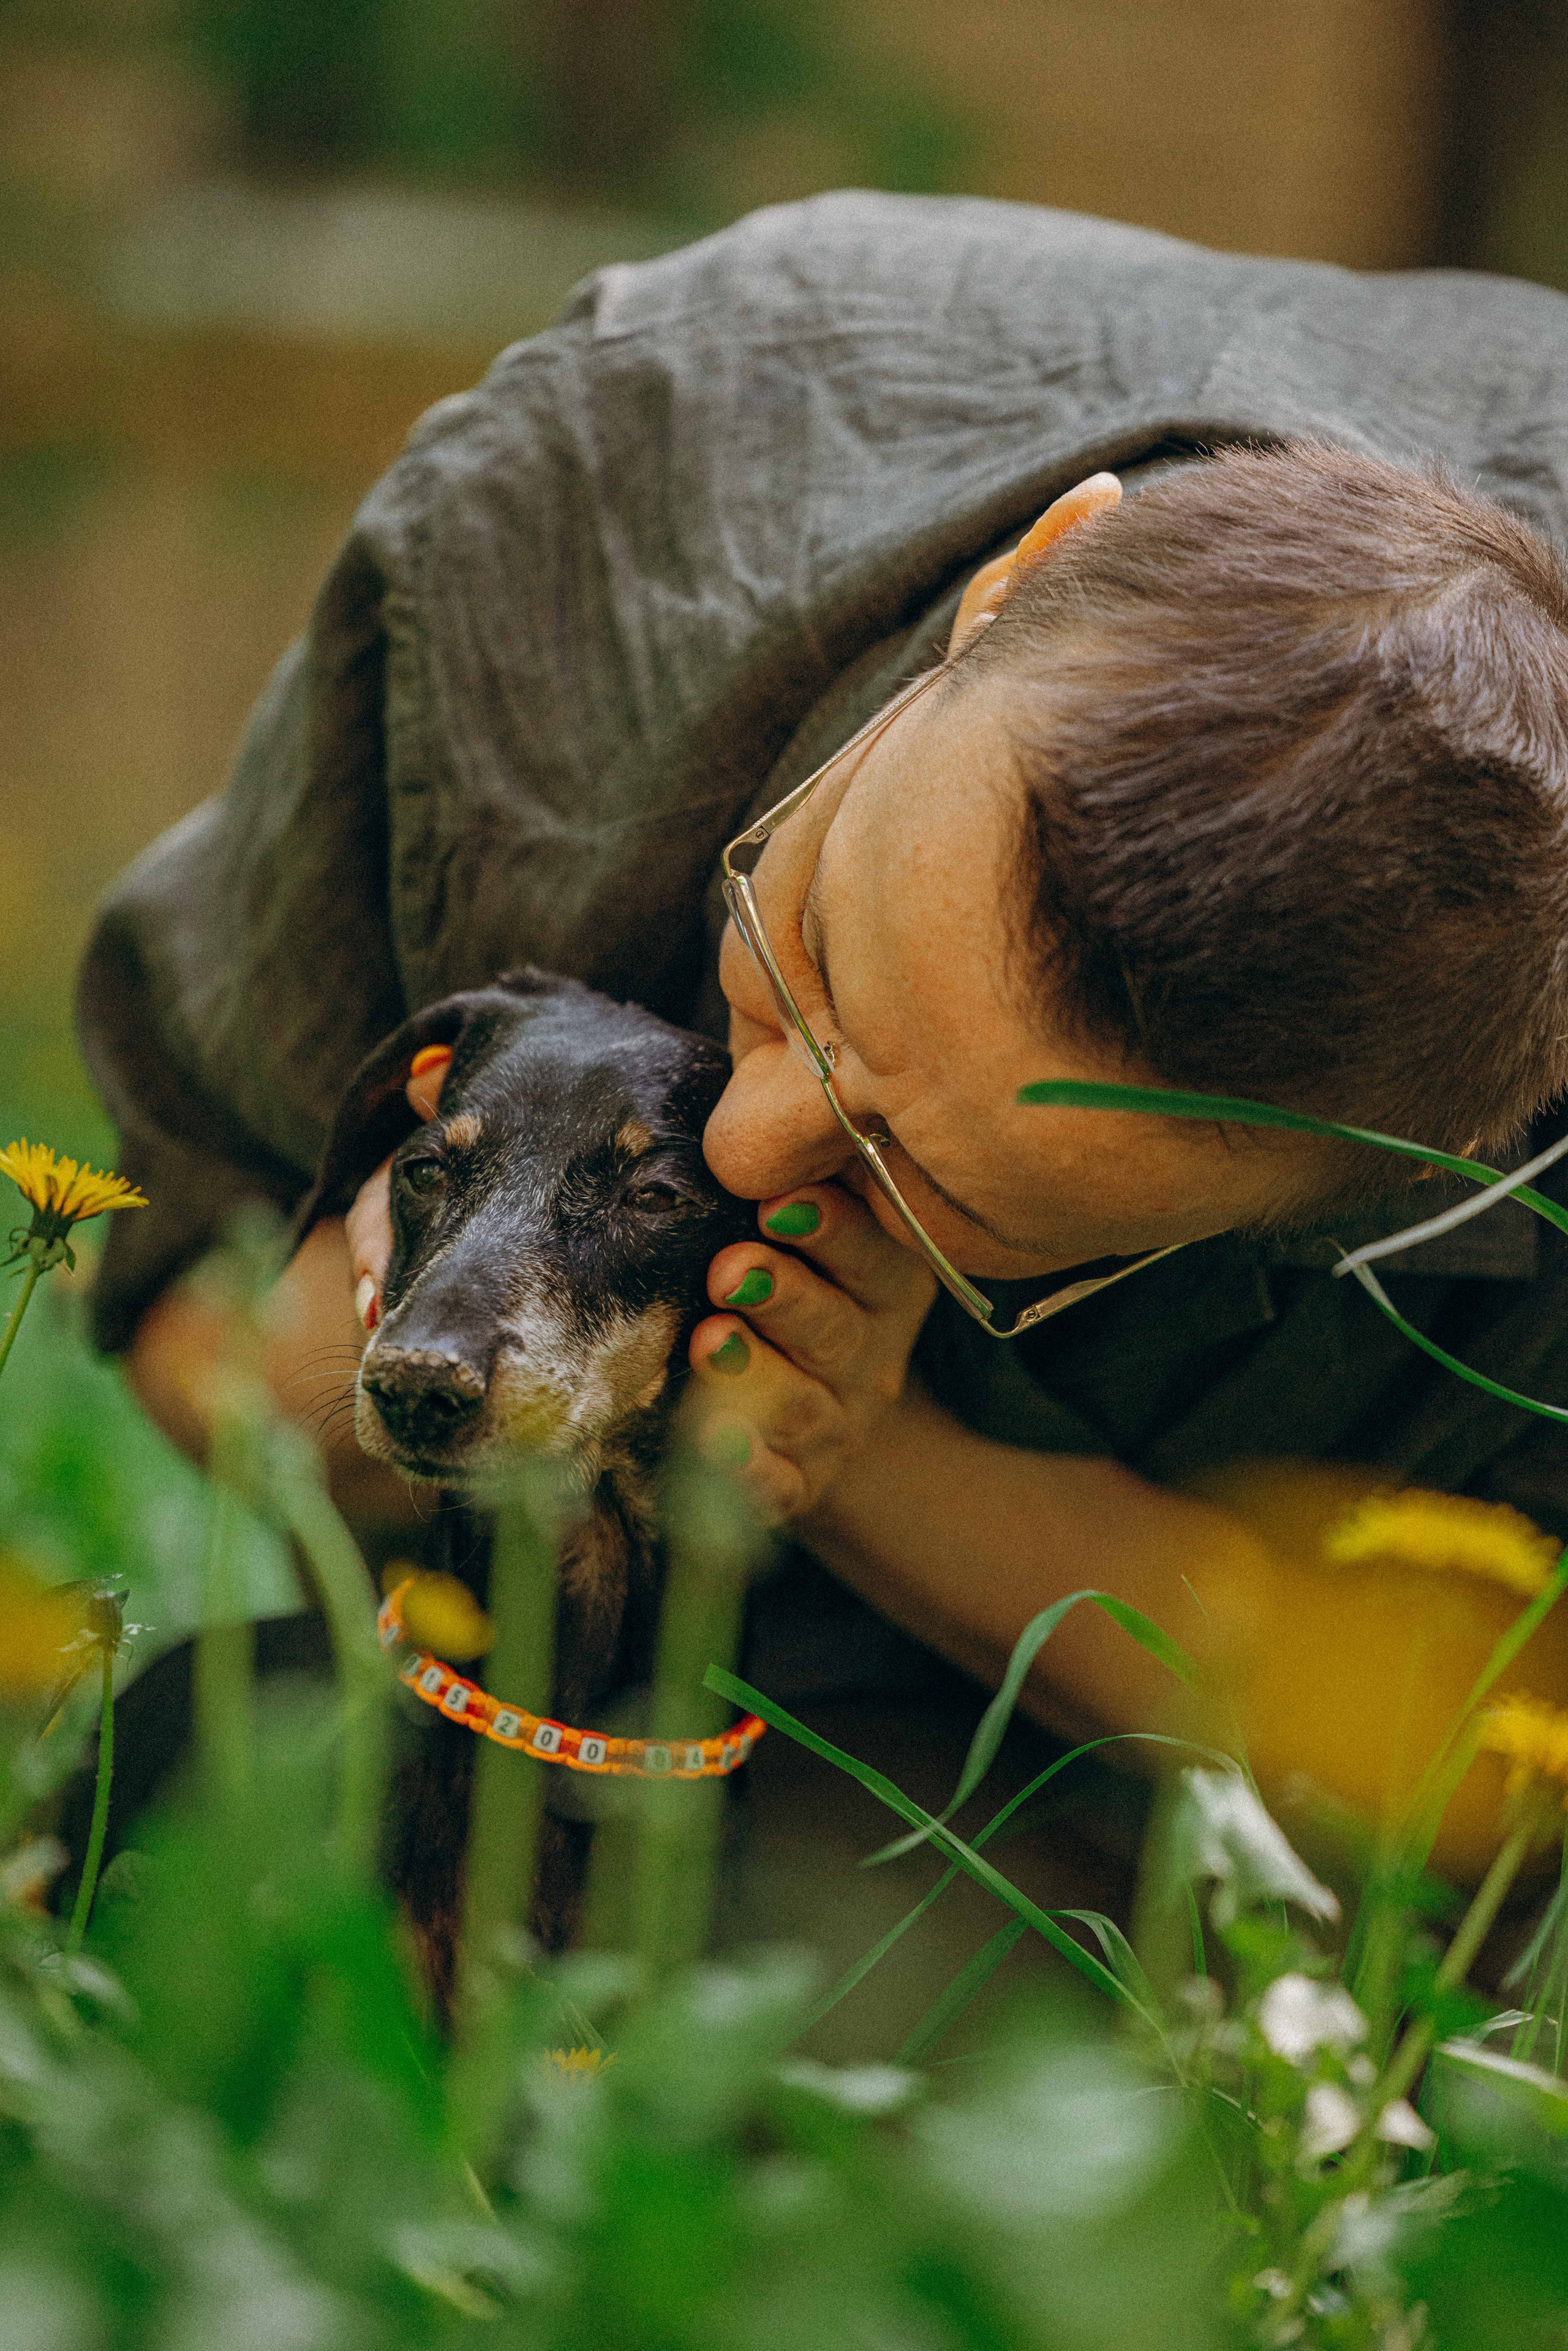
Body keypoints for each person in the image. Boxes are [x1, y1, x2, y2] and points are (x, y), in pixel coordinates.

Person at [78, 192, 1568, 1868]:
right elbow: (181, 1338)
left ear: (1427, 1175)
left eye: (953, 1192)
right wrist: (429, 1320)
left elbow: (1487, 1772)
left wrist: (859, 1454)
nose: (748, 1139)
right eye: (807, 953)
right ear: (1019, 586)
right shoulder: (576, 509)